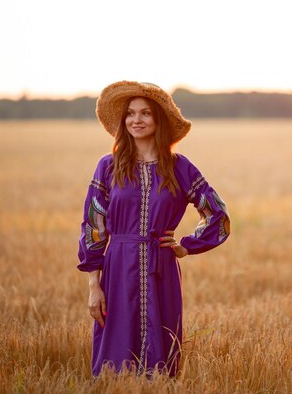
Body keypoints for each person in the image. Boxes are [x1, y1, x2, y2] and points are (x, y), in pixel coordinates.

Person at [76, 81, 231, 378]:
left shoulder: (180, 167)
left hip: (162, 271)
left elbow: (218, 216)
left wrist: (187, 245)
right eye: (131, 114)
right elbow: (93, 228)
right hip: (118, 268)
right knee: (115, 361)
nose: (136, 120)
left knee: (162, 361)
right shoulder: (107, 167)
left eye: (145, 113)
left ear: (158, 120)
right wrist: (94, 286)